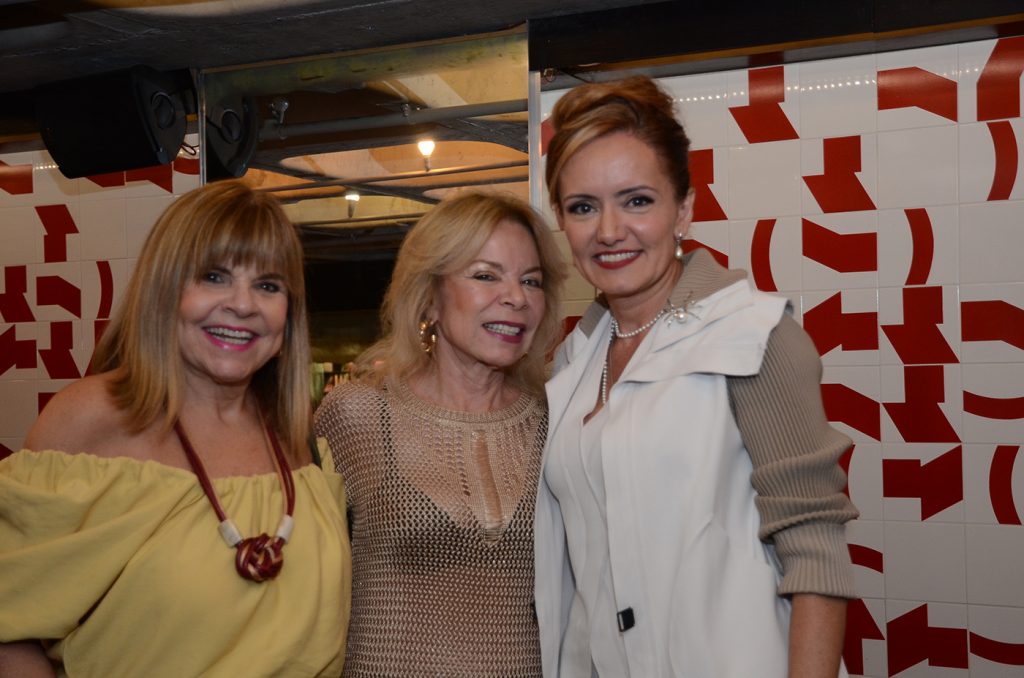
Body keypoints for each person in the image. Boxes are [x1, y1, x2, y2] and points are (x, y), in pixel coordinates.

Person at [533, 76, 859, 677]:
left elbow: (815, 552)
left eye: (637, 200)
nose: (609, 230)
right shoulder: (573, 360)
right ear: (561, 219)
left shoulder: (753, 335)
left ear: (683, 208)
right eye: (583, 207)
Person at [0, 180, 351, 677]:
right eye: (214, 277)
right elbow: (10, 624)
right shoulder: (90, 420)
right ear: (163, 289)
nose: (243, 304)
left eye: (268, 285)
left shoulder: (300, 441)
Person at [314, 190, 566, 677]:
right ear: (429, 297)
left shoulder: (557, 422)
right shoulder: (357, 416)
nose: (516, 298)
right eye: (486, 275)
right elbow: (302, 584)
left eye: (531, 281)